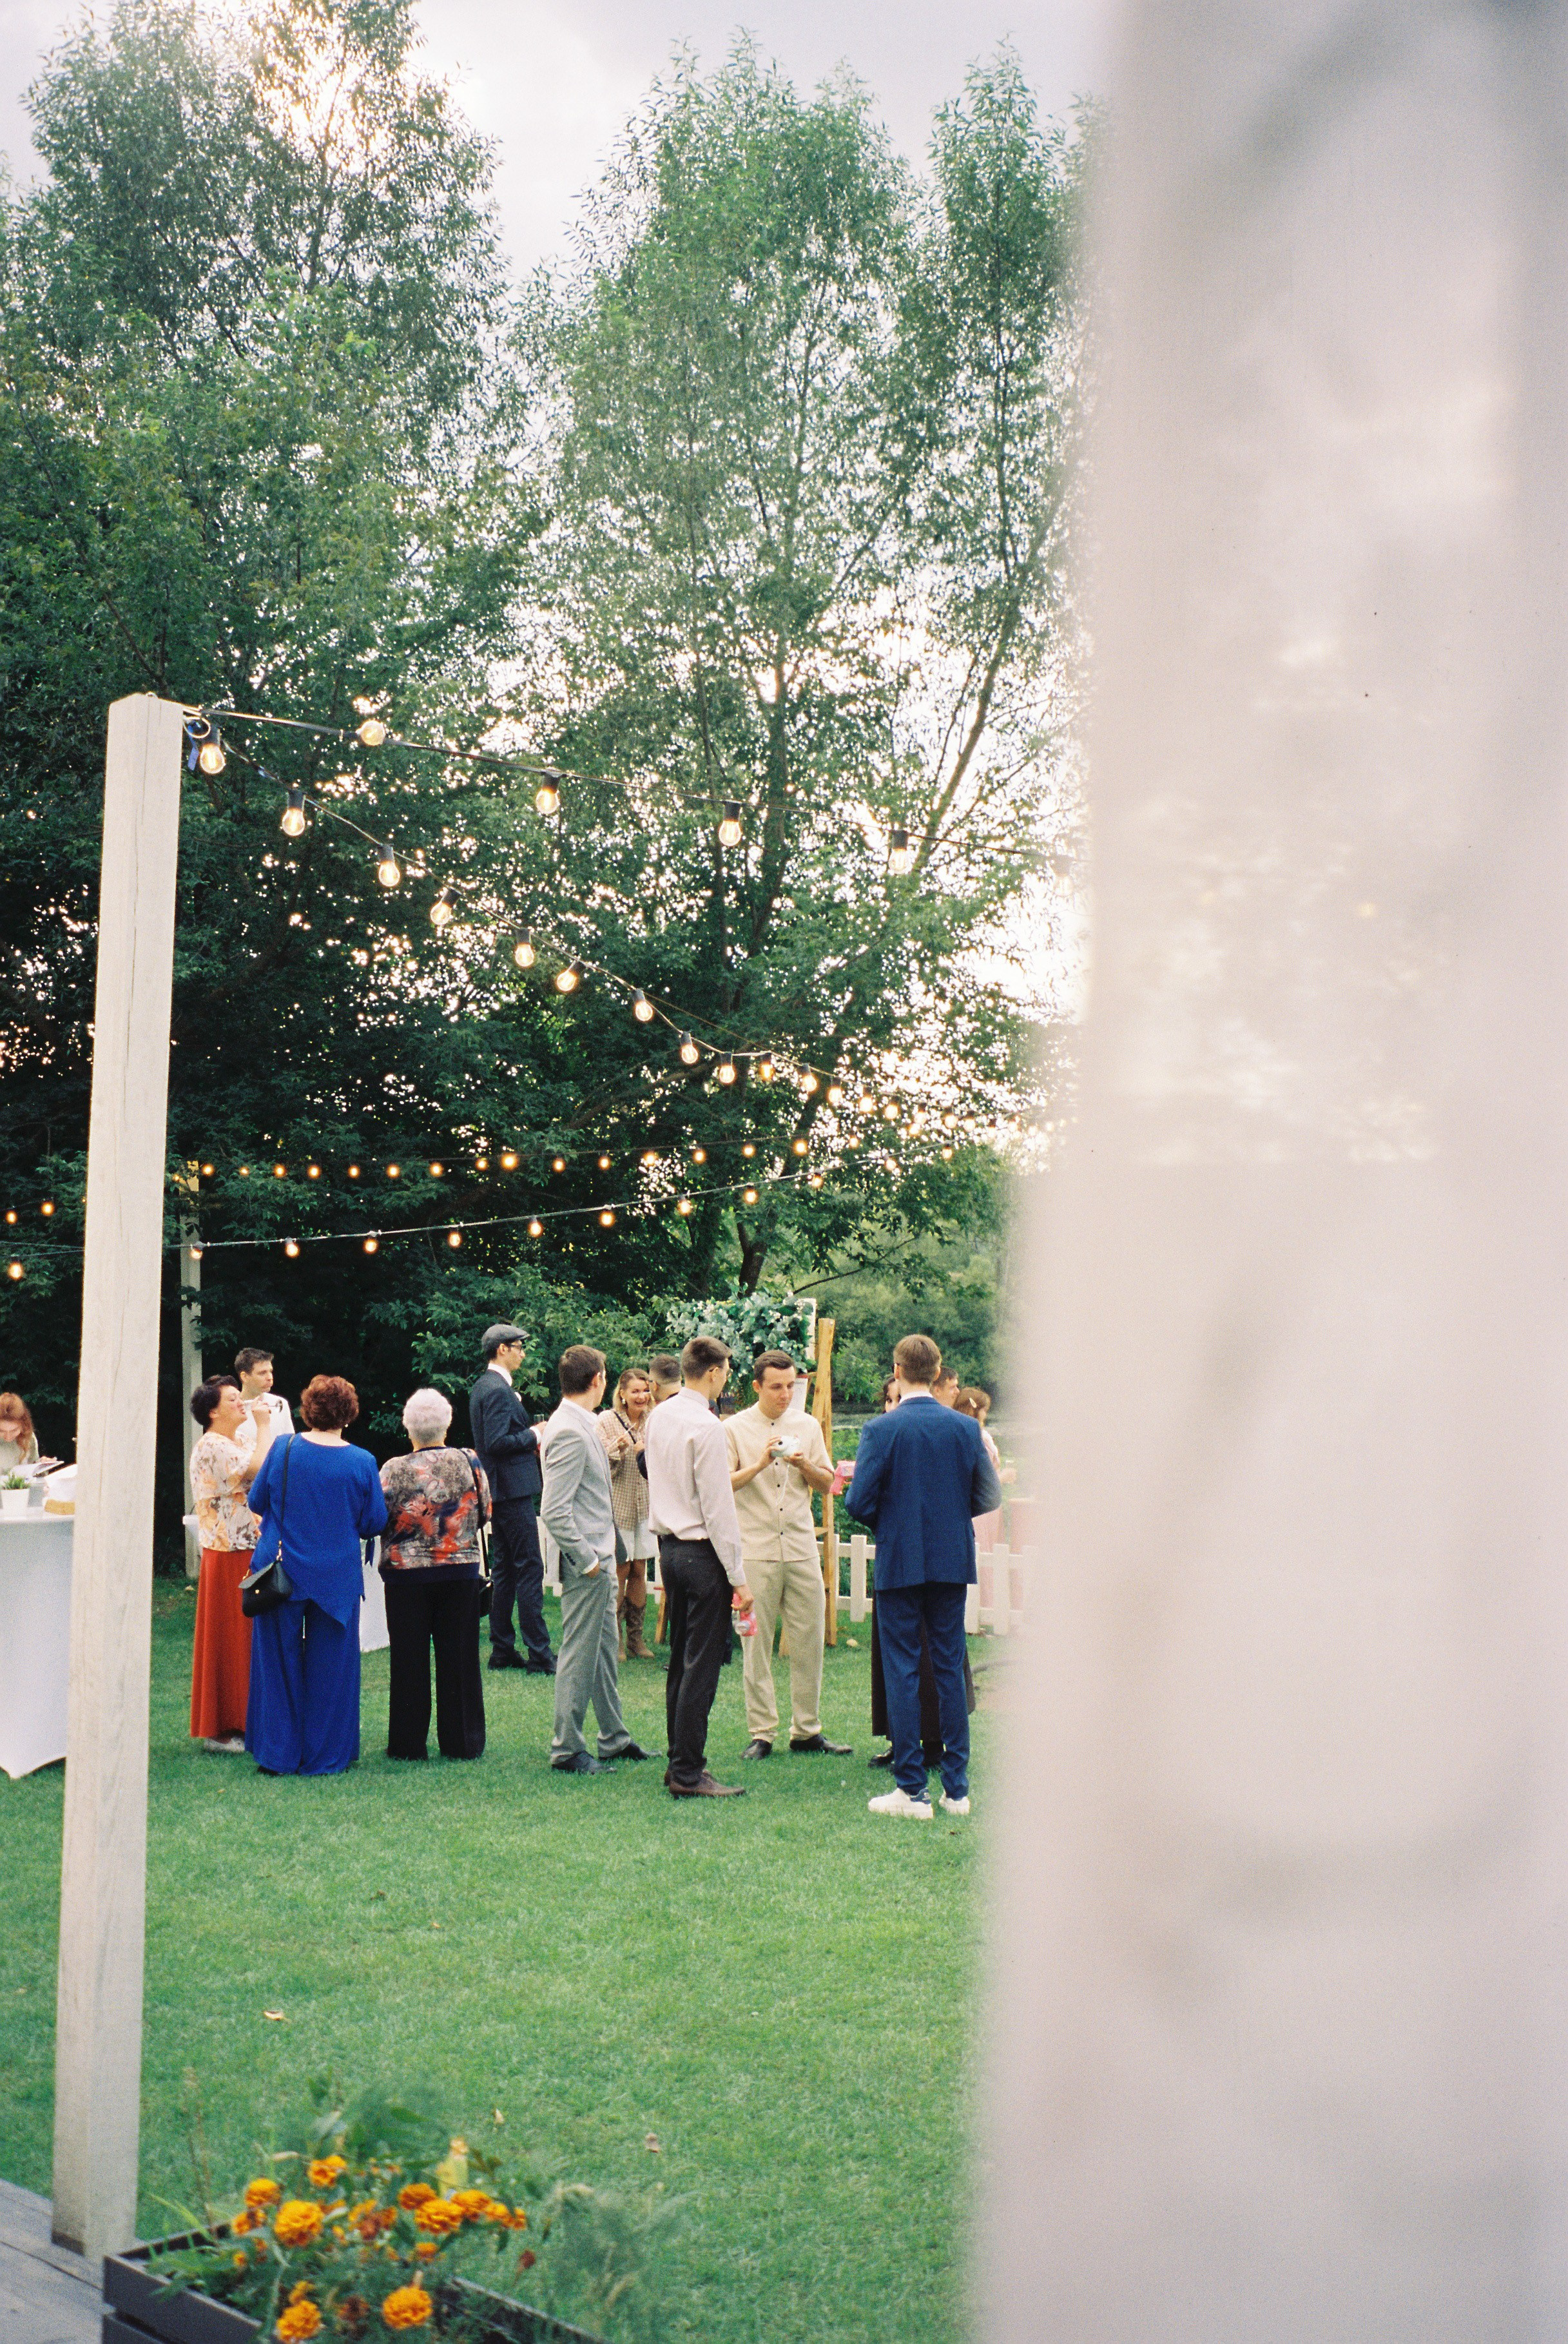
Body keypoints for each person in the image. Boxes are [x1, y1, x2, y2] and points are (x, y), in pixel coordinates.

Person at [846, 1334, 1000, 1820]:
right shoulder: (964, 1428)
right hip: (950, 1558)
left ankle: (912, 1790)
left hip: (900, 1560)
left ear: (897, 1369)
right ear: (937, 1372)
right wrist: (950, 1520)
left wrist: (893, 1524)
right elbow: (988, 1495)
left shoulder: (881, 1429)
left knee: (903, 1668)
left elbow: (857, 1501)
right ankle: (956, 1790)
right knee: (950, 1667)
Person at [244, 1375, 387, 1777]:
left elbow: (257, 1500)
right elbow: (374, 1521)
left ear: (308, 1410)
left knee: (277, 1663)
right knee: (335, 1668)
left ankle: (278, 1755)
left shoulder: (283, 1448)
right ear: (349, 1413)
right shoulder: (361, 1461)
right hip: (336, 1578)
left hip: (281, 1570)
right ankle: (326, 1757)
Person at [643, 1335, 755, 1798]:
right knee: (700, 1666)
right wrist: (739, 1577)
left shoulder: (659, 1415)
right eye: (726, 1369)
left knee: (680, 1661)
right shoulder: (707, 1426)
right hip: (701, 1551)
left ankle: (678, 1763)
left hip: (669, 1549)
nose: (727, 1376)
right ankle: (689, 1770)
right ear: (712, 1371)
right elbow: (717, 1506)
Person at [726, 1350, 851, 1760]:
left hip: (799, 1546)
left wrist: (802, 1464)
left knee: (809, 1639)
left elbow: (827, 1482)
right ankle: (762, 1732)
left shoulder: (808, 1425)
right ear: (757, 1386)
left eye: (791, 1386)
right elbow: (725, 1485)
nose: (785, 1394)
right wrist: (762, 1463)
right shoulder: (735, 1428)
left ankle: (807, 1730)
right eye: (776, 1387)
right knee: (756, 1642)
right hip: (756, 1548)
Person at [539, 1346, 655, 1774]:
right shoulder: (568, 1429)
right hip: (588, 1561)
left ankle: (614, 1737)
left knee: (605, 1650)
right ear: (599, 1380)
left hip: (603, 1555)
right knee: (579, 1653)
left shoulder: (585, 1423)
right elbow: (554, 1509)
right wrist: (587, 1560)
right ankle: (566, 1748)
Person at [378, 1388, 490, 1762]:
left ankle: (408, 1745)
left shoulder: (393, 1468)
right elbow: (486, 1510)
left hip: (406, 1575)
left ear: (408, 1427)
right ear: (448, 1423)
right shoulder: (469, 1460)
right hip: (459, 1568)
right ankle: (463, 1742)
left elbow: (380, 1517)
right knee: (459, 1655)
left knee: (409, 1657)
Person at [188, 1374, 276, 1752]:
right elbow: (256, 1470)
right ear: (212, 1411)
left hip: (239, 1545)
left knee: (244, 1638)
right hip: (227, 1551)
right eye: (232, 1399)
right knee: (230, 1637)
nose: (242, 1403)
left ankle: (244, 1719)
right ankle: (223, 1727)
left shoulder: (231, 1441)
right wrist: (266, 1424)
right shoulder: (212, 1446)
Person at [469, 1323, 554, 1674]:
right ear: (502, 1349)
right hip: (511, 1491)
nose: (523, 1353)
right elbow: (497, 1442)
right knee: (530, 1568)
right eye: (518, 1347)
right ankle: (539, 1654)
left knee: (504, 1570)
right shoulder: (497, 1390)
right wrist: (534, 1433)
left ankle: (502, 1649)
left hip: (499, 1492)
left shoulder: (484, 1387)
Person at [601, 1366, 656, 1658]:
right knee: (621, 1568)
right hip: (619, 1505)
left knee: (640, 1568)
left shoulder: (654, 1420)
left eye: (645, 1390)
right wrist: (618, 1451)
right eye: (635, 1391)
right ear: (621, 1394)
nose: (641, 1396)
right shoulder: (608, 1421)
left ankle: (637, 1639)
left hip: (646, 1504)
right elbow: (598, 1466)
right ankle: (617, 1639)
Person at [956, 1386, 1007, 1553]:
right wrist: (1003, 1477)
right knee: (984, 1548)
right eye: (984, 1410)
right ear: (974, 1410)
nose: (985, 1415)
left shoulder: (961, 1433)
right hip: (982, 1508)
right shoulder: (978, 1437)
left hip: (984, 1506)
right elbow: (977, 1480)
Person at [231, 1347, 294, 1455]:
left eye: (270, 1372)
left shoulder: (280, 1403)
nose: (270, 1377)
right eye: (262, 1373)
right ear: (245, 1376)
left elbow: (289, 1446)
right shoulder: (231, 1408)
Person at [0, 1393, 39, 1471]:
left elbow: (34, 1469)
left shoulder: (28, 1437)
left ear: (23, 1425)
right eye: (1, 1431)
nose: (8, 1437)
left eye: (14, 1431)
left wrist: (42, 1465)